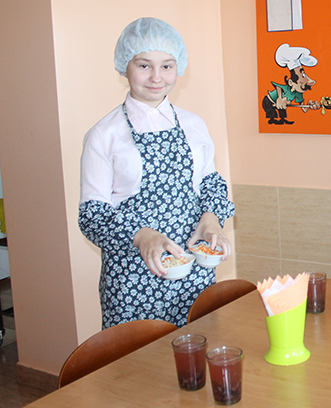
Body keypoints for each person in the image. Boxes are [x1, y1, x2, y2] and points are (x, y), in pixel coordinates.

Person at [79, 17, 236, 328]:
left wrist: (211, 219)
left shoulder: (194, 125)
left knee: (196, 351)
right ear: (125, 66)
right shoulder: (104, 134)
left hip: (193, 275)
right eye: (144, 65)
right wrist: (142, 236)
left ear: (178, 68)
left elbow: (210, 183)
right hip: (131, 279)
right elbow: (92, 216)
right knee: (138, 358)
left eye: (166, 66)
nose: (156, 77)